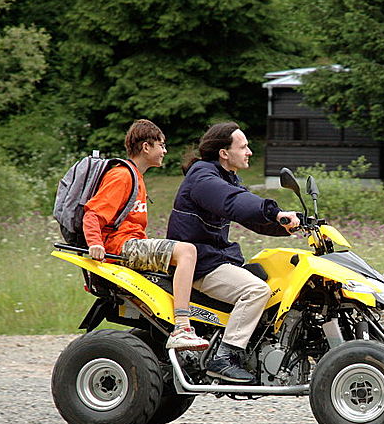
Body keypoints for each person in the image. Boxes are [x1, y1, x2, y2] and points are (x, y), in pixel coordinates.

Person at [167, 122, 300, 383]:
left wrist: (287, 225)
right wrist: (275, 212)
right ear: (224, 153)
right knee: (256, 290)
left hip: (214, 257)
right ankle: (225, 357)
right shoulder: (203, 178)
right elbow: (234, 202)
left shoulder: (225, 177)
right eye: (244, 147)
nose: (249, 152)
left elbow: (249, 216)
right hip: (201, 264)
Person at [83, 119, 209, 352]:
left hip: (130, 243)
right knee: (187, 251)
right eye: (161, 145)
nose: (165, 151)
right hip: (120, 247)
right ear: (146, 147)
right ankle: (182, 327)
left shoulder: (136, 177)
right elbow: (93, 214)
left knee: (190, 254)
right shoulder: (122, 176)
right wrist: (95, 244)